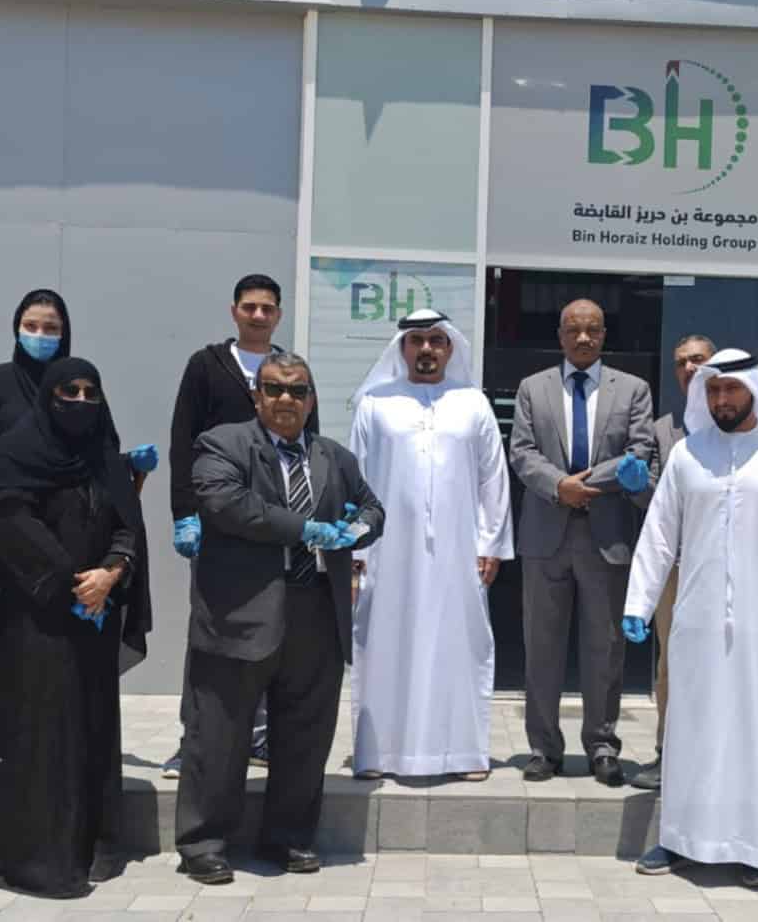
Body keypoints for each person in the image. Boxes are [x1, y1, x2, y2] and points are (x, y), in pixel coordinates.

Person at [624, 349, 758, 889]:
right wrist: (638, 604)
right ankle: (680, 839)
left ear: (753, 393)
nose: (720, 400)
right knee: (693, 729)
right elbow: (659, 534)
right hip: (697, 622)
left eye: (730, 390)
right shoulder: (689, 455)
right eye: (711, 391)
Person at [175, 354, 385, 885]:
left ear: (311, 398)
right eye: (274, 389)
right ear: (257, 396)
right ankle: (203, 844)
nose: (286, 399)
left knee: (304, 737)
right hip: (240, 614)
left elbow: (372, 508)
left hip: (316, 609)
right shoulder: (221, 444)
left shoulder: (334, 456)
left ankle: (288, 837)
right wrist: (306, 530)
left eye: (297, 391)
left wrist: (356, 529)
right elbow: (227, 503)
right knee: (219, 735)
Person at [0, 358, 153, 899]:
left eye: (91, 390)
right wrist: (71, 583)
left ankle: (91, 844)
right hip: (35, 621)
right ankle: (34, 856)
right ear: (48, 398)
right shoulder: (16, 454)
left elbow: (128, 523)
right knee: (40, 731)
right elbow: (10, 519)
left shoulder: (104, 456)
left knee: (89, 727)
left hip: (96, 618)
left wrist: (111, 573)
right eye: (70, 390)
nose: (81, 400)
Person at [347, 310, 513, 781]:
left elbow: (492, 480)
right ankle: (378, 754)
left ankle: (461, 754)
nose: (426, 349)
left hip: (459, 553)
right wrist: (355, 554)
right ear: (402, 348)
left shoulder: (473, 403)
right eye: (416, 340)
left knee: (461, 644)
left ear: (450, 348)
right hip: (386, 554)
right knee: (383, 643)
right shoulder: (375, 404)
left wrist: (492, 545)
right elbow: (354, 481)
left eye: (436, 341)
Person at [162, 273, 302, 779]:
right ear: (234, 311)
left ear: (279, 315)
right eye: (250, 307)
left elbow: (310, 444)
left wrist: (307, 519)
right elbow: (183, 441)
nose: (259, 316)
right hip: (216, 523)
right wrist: (185, 514)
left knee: (269, 631)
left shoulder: (287, 370)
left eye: (268, 308)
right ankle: (194, 740)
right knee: (210, 632)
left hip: (273, 525)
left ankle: (260, 738)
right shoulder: (206, 366)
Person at [508, 299, 654, 786]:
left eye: (593, 329)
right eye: (575, 329)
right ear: (561, 334)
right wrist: (558, 486)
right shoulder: (533, 388)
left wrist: (586, 483)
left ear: (604, 333)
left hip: (606, 535)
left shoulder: (633, 389)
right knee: (542, 647)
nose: (584, 338)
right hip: (546, 533)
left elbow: (639, 452)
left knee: (605, 647)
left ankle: (603, 746)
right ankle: (543, 748)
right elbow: (522, 452)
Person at [0, 288, 156, 486]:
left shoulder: (78, 384)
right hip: (5, 507)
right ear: (17, 329)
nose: (39, 335)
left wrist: (130, 462)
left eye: (50, 328)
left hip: (74, 511)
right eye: (30, 326)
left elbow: (100, 454)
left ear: (63, 333)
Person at [628, 333, 714, 792]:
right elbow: (654, 500)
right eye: (682, 362)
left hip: (730, 567)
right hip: (677, 567)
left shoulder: (741, 422)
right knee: (672, 666)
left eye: (699, 360)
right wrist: (636, 483)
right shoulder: (664, 430)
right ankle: (669, 753)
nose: (690, 369)